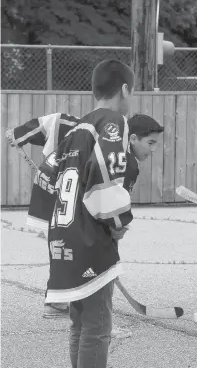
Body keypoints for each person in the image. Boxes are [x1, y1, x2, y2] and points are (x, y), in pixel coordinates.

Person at [26, 59, 161, 368]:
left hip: (65, 236)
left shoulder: (76, 128)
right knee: (98, 327)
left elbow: (46, 176)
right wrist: (117, 224)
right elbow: (105, 179)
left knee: (80, 324)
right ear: (125, 90)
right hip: (90, 240)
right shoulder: (113, 122)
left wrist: (46, 226)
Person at [6, 112, 163, 339]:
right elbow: (111, 211)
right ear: (133, 138)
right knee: (96, 257)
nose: (153, 150)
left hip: (54, 196)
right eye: (150, 143)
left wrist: (22, 133)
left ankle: (60, 302)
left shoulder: (93, 129)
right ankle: (97, 322)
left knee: (70, 249)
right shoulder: (124, 159)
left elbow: (59, 121)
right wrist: (115, 230)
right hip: (69, 204)